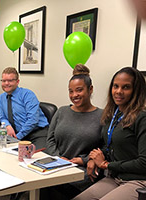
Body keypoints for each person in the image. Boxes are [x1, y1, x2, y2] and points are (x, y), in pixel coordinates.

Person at [73, 67, 146, 200]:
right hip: (114, 178)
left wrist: (107, 165)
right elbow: (108, 147)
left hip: (138, 181)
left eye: (126, 87)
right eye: (115, 86)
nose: (118, 91)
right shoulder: (114, 114)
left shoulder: (142, 117)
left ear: (136, 91)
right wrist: (90, 159)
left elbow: (144, 162)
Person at [43, 64, 103, 200]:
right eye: (71, 91)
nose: (74, 95)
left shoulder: (103, 116)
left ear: (90, 89)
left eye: (79, 90)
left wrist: (85, 160)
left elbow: (106, 147)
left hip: (82, 171)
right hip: (56, 166)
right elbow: (50, 139)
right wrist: (58, 158)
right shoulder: (61, 111)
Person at [0, 67, 49, 150]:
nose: (6, 83)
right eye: (4, 81)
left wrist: (17, 137)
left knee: (35, 158)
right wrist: (7, 126)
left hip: (37, 133)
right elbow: (2, 117)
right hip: (18, 133)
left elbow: (33, 120)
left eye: (10, 80)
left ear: (17, 82)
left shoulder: (28, 95)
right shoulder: (2, 97)